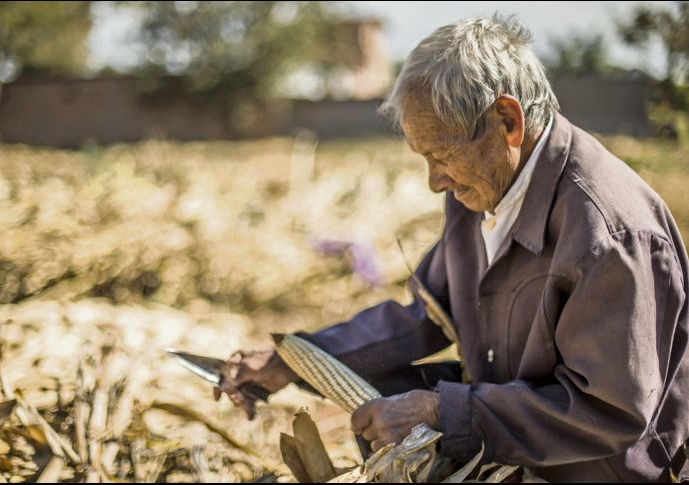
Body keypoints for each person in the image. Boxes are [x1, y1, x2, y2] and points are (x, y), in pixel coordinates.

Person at [215, 15, 689, 482]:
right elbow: (428, 315)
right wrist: (295, 359)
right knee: (385, 395)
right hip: (515, 432)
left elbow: (609, 411)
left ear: (508, 121)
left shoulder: (608, 235)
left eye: (441, 156)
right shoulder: (479, 192)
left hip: (600, 469)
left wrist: (447, 412)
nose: (434, 181)